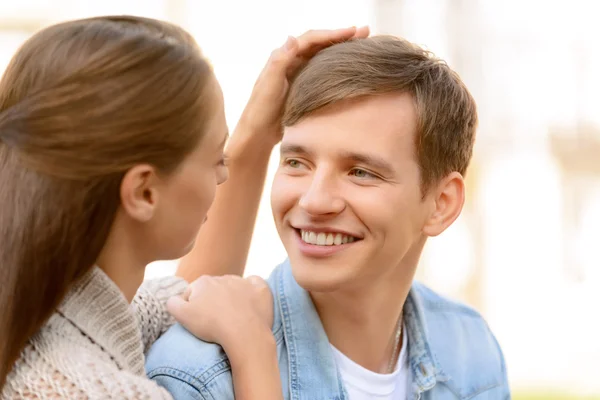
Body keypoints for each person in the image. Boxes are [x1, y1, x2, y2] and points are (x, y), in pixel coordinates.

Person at [0, 14, 368, 398]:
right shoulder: (89, 390)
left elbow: (193, 298)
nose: (224, 175)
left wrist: (258, 134)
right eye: (215, 159)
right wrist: (253, 348)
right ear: (144, 193)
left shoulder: (54, 307)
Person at [146, 35, 511, 399]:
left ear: (441, 204)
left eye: (361, 172)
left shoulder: (471, 352)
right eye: (296, 162)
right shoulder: (197, 375)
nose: (314, 200)